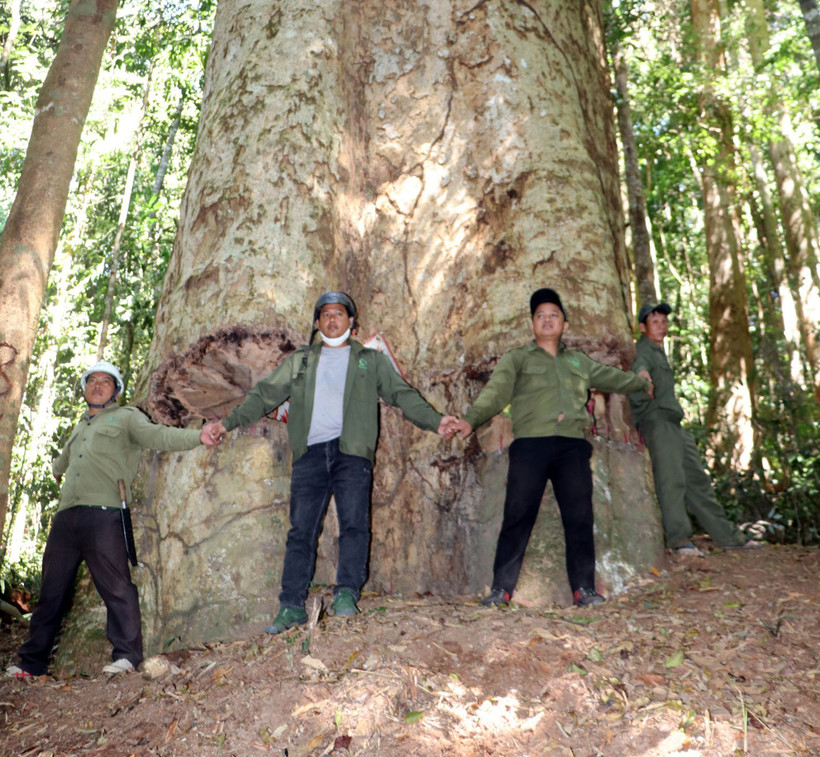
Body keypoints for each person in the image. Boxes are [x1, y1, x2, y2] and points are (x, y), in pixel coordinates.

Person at [203, 292, 457, 634]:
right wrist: (227, 423)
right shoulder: (301, 360)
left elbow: (401, 394)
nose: (332, 319)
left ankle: (347, 594)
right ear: (317, 322)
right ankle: (291, 606)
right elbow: (265, 395)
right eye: (325, 315)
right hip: (309, 454)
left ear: (351, 321)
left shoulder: (369, 360)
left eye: (339, 314)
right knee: (301, 532)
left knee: (354, 525)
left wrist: (436, 421)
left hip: (352, 452)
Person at [6, 361, 218, 680]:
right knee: (51, 591)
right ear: (85, 389)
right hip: (66, 517)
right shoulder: (81, 425)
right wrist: (57, 468)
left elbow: (158, 436)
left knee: (117, 586)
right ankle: (30, 664)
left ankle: (127, 656)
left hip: (103, 513)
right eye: (92, 380)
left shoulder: (126, 417)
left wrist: (198, 436)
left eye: (105, 381)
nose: (97, 385)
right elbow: (63, 461)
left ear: (116, 391)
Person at [450, 288, 652, 608]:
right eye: (540, 315)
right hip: (530, 446)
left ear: (565, 325)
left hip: (572, 447)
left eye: (553, 315)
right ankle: (501, 590)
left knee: (579, 517)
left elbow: (614, 378)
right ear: (532, 324)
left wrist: (642, 382)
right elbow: (495, 394)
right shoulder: (517, 358)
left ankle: (583, 589)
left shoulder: (579, 361)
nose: (547, 320)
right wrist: (470, 420)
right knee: (518, 515)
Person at [629, 303, 761, 557]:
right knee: (671, 480)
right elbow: (640, 368)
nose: (662, 326)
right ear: (643, 327)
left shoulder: (659, 351)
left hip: (674, 424)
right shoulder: (642, 350)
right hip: (656, 421)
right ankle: (680, 540)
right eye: (655, 322)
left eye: (664, 321)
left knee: (698, 481)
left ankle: (728, 537)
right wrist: (643, 377)